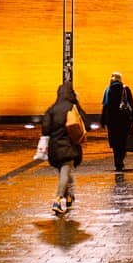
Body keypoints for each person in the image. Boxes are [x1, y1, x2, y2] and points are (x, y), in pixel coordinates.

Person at [41, 81, 85, 215]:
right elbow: (84, 123)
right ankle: (58, 200)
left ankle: (69, 197)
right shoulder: (72, 107)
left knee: (63, 174)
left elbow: (45, 129)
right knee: (65, 175)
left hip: (54, 149)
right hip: (68, 147)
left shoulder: (52, 109)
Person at [99, 72, 133, 171]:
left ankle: (117, 161)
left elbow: (105, 106)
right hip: (124, 120)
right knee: (123, 140)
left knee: (115, 141)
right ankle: (121, 158)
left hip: (112, 120)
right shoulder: (125, 89)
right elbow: (131, 105)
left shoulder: (108, 90)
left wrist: (103, 120)